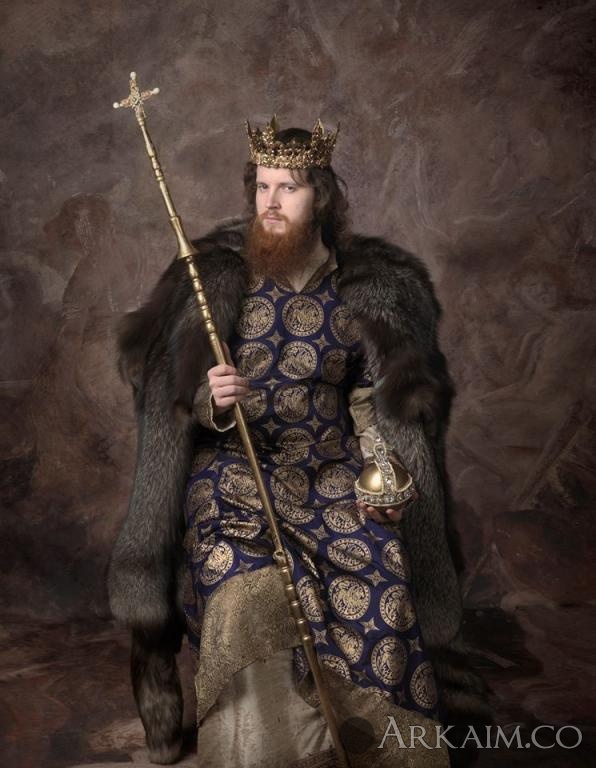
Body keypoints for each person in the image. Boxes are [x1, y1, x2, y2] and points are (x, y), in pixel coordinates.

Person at [108, 117, 491, 768]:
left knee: (382, 581)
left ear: (322, 197)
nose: (272, 202)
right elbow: (166, 387)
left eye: (289, 187)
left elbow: (374, 400)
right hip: (235, 471)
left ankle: (368, 749)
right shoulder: (214, 279)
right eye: (262, 187)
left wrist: (383, 476)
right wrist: (210, 400)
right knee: (246, 589)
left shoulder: (360, 287)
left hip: (332, 469)